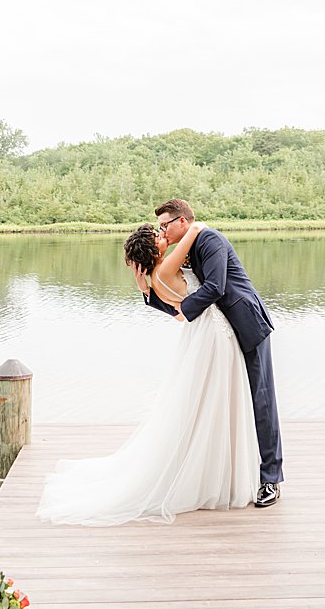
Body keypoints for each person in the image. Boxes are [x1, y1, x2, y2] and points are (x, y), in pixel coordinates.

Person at [34, 219, 260, 525]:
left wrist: (145, 289)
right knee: (215, 402)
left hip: (201, 335)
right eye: (157, 234)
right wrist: (191, 224)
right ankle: (217, 476)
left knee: (206, 404)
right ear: (153, 249)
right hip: (213, 336)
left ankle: (212, 472)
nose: (162, 234)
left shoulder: (155, 280)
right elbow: (193, 231)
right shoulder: (166, 268)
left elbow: (181, 316)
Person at [153, 199, 283, 507]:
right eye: (159, 227)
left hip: (247, 325)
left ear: (182, 222)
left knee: (261, 401)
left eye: (165, 225)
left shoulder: (210, 239)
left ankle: (271, 480)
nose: (163, 231)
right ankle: (226, 475)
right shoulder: (187, 248)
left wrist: (184, 312)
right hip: (219, 335)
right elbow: (172, 289)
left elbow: (215, 286)